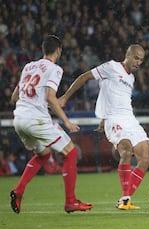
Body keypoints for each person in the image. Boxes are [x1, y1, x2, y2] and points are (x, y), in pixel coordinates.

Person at [59, 44, 149, 210]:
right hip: (114, 120)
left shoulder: (131, 78)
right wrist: (65, 97)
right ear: (127, 55)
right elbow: (84, 77)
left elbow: (111, 93)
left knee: (145, 159)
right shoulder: (111, 66)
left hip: (130, 119)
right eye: (136, 58)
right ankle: (125, 200)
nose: (138, 62)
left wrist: (102, 115)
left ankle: (126, 197)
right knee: (126, 150)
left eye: (141, 60)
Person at [9, 35, 93, 214]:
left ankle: (19, 191)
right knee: (71, 152)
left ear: (43, 50)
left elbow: (14, 97)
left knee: (44, 154)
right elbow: (50, 97)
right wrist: (66, 121)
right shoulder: (55, 69)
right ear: (59, 50)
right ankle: (70, 201)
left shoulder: (28, 67)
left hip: (19, 119)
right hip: (36, 119)